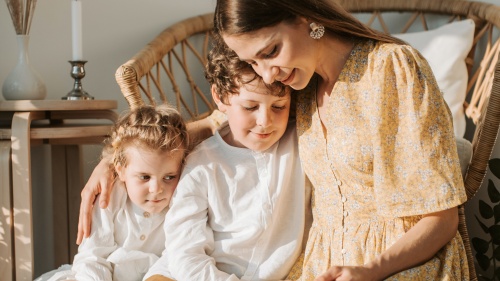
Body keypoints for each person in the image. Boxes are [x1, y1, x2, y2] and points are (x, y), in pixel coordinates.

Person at [212, 0, 469, 280]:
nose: (267, 73)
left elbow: (443, 221)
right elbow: (229, 116)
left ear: (305, 16)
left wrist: (371, 270)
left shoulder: (392, 67)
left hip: (406, 264)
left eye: (271, 51)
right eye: (252, 62)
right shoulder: (298, 89)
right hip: (322, 266)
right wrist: (176, 135)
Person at [143, 38, 310, 281]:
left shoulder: (299, 142)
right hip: (195, 271)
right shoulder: (202, 162)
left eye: (278, 107)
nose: (265, 121)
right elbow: (184, 250)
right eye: (250, 107)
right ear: (220, 98)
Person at [36, 104, 190, 281]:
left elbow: (180, 255)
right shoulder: (110, 197)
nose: (157, 189)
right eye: (145, 177)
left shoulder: (182, 200)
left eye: (169, 177)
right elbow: (93, 257)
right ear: (121, 170)